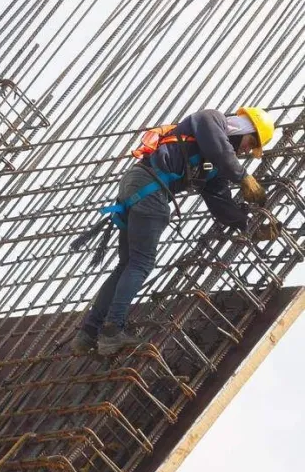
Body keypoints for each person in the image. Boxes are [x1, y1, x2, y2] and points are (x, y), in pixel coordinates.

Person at [71, 107, 278, 357]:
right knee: (141, 264)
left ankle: (88, 333)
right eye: (251, 142)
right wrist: (243, 176)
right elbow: (217, 145)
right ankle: (112, 331)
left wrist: (250, 227)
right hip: (149, 189)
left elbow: (221, 203)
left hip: (138, 188)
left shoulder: (214, 167)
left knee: (126, 265)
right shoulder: (211, 119)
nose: (246, 150)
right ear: (245, 128)